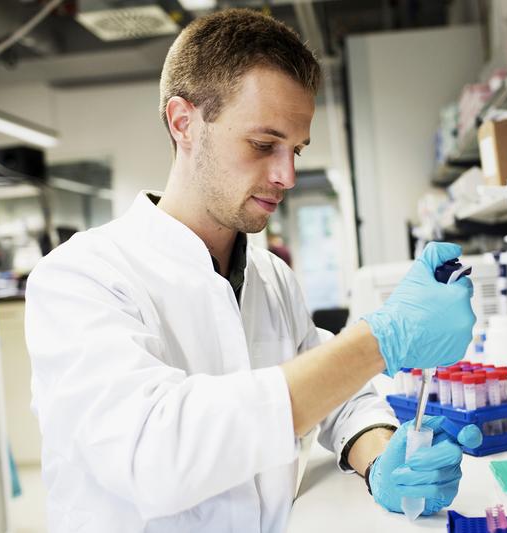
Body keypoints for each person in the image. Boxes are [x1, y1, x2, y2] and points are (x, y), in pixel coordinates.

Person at [24, 8, 477, 533]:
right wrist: (381, 339)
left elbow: (333, 394)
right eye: (263, 145)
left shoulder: (271, 276)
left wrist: (380, 460)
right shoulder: (80, 277)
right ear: (183, 122)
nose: (286, 175)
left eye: (296, 150)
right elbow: (156, 451)